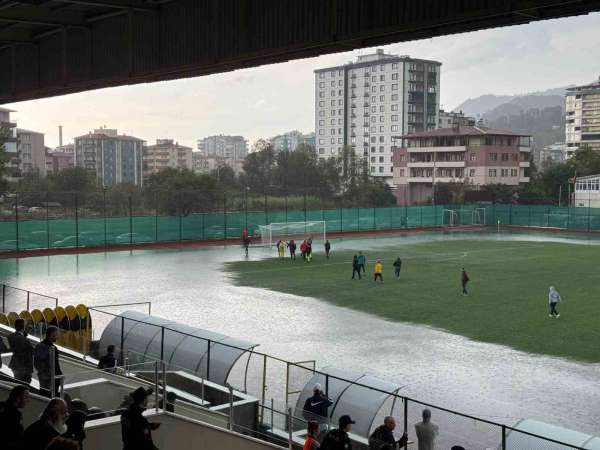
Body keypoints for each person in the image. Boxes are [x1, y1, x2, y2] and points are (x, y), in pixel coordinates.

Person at [34, 326, 63, 397]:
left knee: (43, 393)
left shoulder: (38, 345)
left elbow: (36, 362)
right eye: (56, 335)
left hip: (42, 376)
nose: (57, 337)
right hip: (52, 378)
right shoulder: (52, 348)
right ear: (52, 334)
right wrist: (60, 377)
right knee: (52, 396)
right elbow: (55, 365)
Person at [0, 385, 30, 450]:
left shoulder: (1, 405)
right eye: (26, 397)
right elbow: (18, 437)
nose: (28, 400)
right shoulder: (16, 415)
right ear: (18, 398)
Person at [8, 317, 34, 383]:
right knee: (24, 386)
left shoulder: (11, 336)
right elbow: (31, 351)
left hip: (15, 365)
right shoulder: (24, 340)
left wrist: (24, 334)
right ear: (23, 327)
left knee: (17, 383)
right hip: (24, 368)